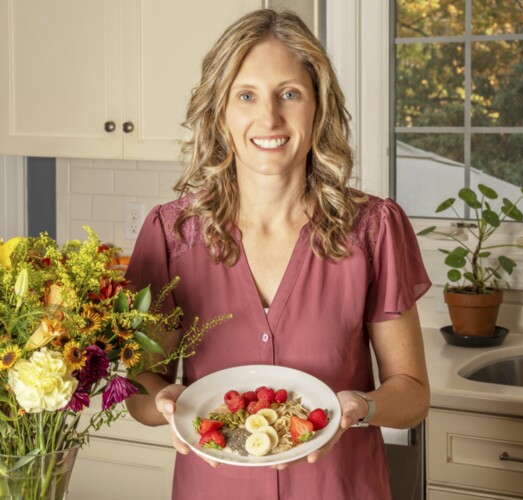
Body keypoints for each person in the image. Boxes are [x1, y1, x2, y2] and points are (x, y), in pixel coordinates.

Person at [125, 8, 431, 500]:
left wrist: (362, 408)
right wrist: (162, 401)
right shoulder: (172, 234)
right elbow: (142, 385)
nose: (269, 117)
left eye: (290, 93)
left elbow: (412, 392)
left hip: (341, 488)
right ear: (220, 112)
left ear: (317, 107)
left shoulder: (374, 229)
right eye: (246, 95)